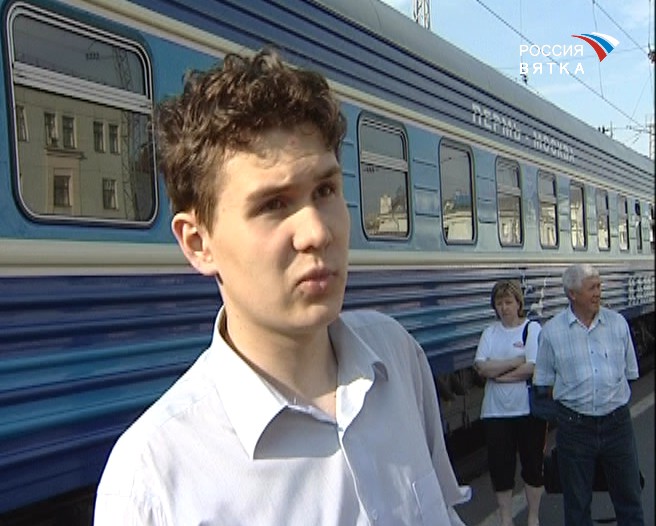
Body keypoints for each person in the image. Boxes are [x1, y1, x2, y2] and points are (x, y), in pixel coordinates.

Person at [93, 47, 471, 526]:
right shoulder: (153, 484)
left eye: (325, 190)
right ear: (198, 243)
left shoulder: (396, 358)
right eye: (273, 204)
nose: (317, 232)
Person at [533, 264, 644, 526]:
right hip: (575, 428)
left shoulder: (617, 324)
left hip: (617, 424)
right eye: (592, 287)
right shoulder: (552, 332)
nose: (598, 292)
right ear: (572, 294)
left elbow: (629, 372)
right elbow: (544, 382)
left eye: (599, 286)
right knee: (577, 504)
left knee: (629, 499)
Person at [474, 280, 546, 526]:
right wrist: (516, 361)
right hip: (495, 413)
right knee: (500, 468)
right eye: (499, 303)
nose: (504, 307)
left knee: (532, 465)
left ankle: (533, 517)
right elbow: (482, 367)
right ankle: (506, 519)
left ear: (518, 304)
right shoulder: (490, 333)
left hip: (527, 410)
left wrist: (500, 376)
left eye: (508, 302)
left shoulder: (531, 329)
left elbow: (532, 367)